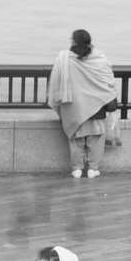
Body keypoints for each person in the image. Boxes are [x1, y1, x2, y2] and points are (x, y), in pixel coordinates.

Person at [48, 30, 117, 179]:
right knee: (96, 138)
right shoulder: (99, 57)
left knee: (76, 138)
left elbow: (58, 80)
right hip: (96, 104)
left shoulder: (65, 58)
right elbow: (108, 79)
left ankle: (76, 169)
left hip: (74, 105)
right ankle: (93, 168)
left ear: (74, 41)